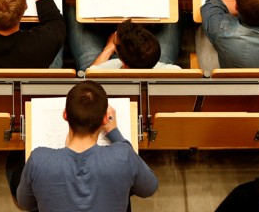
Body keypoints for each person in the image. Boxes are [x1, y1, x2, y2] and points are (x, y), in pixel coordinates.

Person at [16, 80, 158, 212]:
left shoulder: (38, 159)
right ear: (104, 119)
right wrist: (115, 133)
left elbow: (25, 203)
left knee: (15, 164)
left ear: (65, 115)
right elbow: (149, 188)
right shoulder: (124, 155)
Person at [88, 19, 181, 70]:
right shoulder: (175, 71)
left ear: (123, 63)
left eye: (115, 39)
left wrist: (109, 48)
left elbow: (89, 76)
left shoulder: (99, 70)